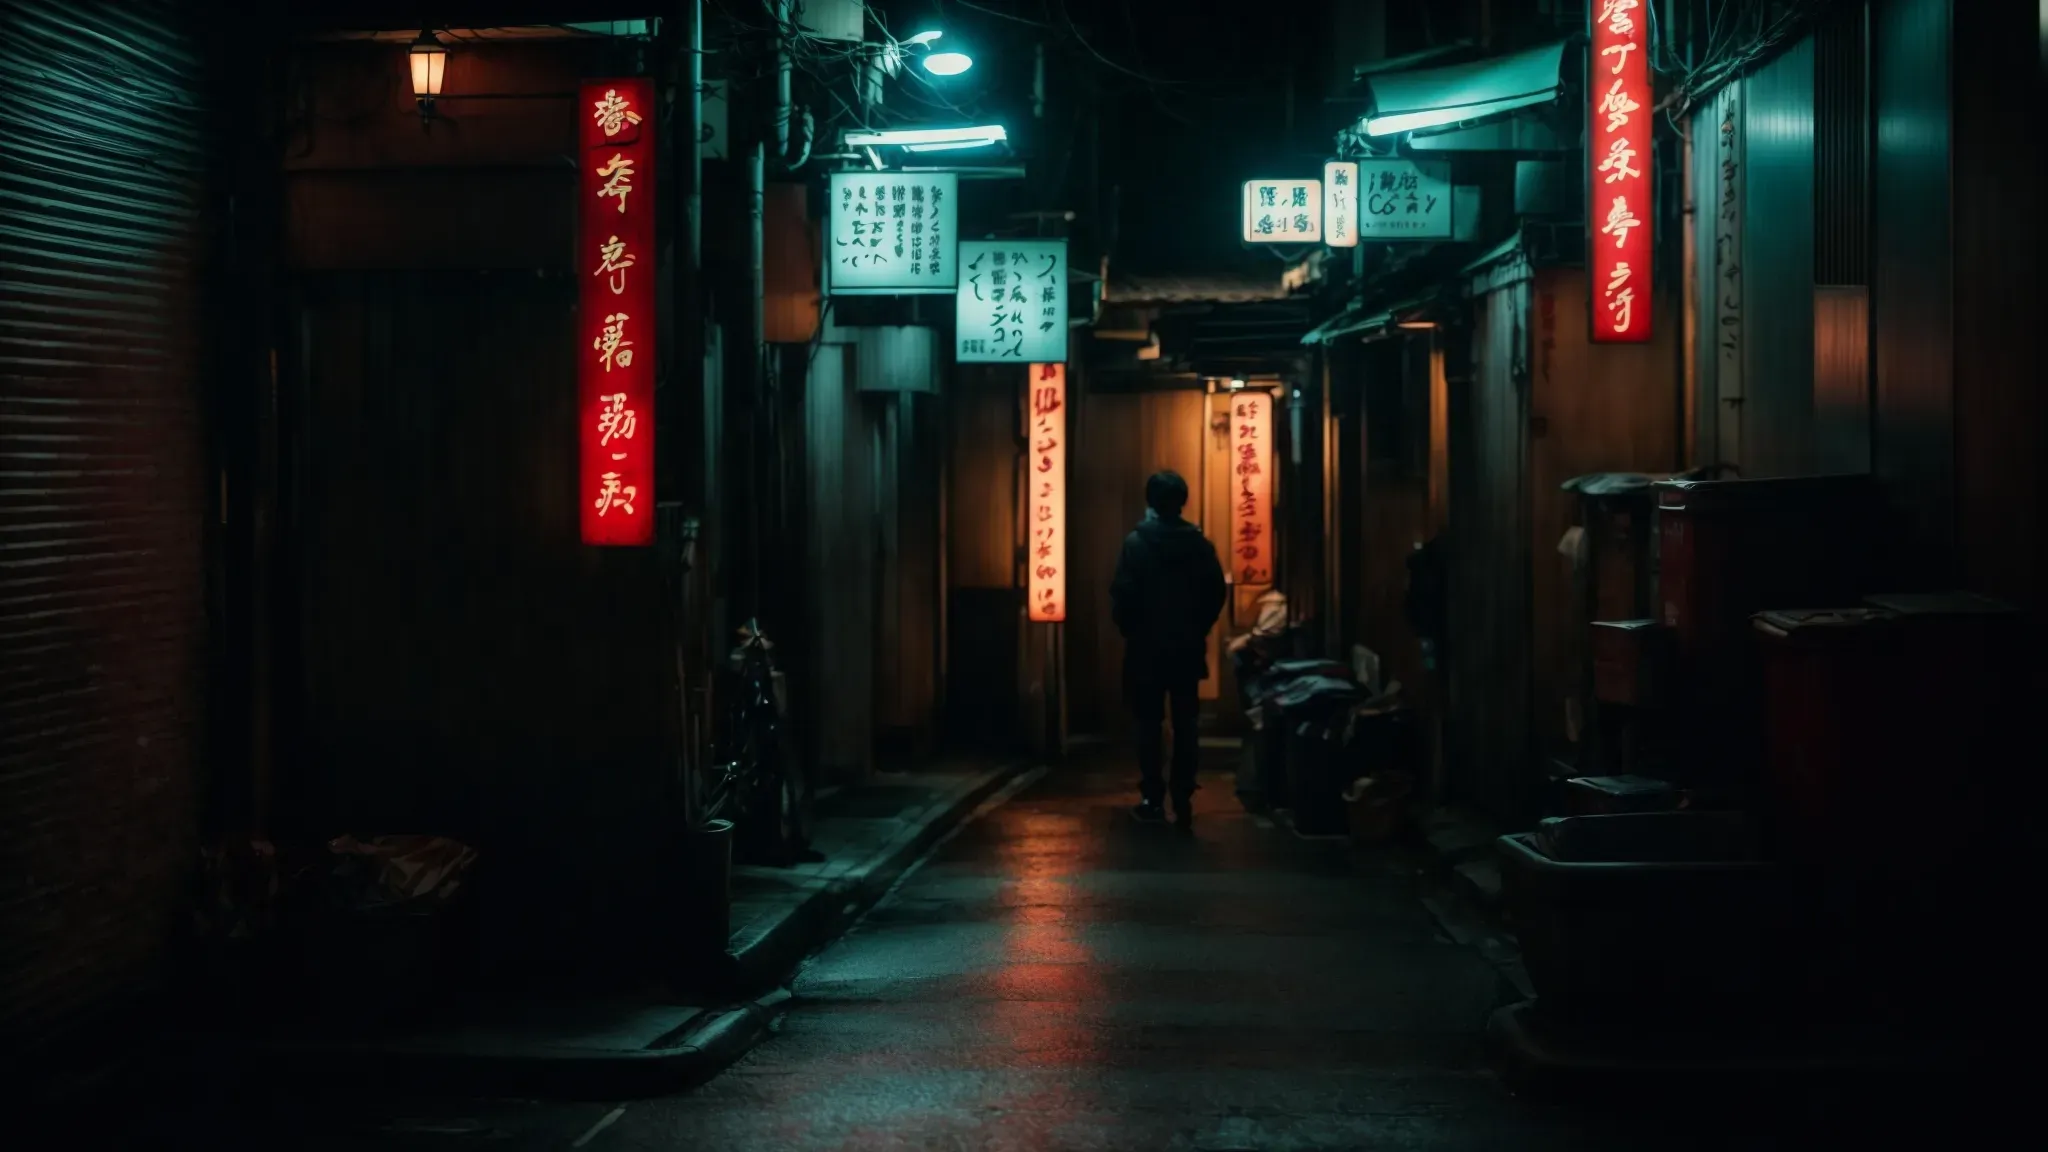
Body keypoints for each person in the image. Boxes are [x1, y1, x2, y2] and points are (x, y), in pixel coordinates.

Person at [1110, 470, 1227, 829]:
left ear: (1151, 501)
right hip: (1186, 648)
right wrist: (1198, 627)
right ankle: (1183, 794)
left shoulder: (1136, 543)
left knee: (1148, 722)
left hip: (1146, 648)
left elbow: (1123, 594)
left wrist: (1132, 630)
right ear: (1182, 501)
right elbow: (1215, 593)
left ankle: (1152, 795)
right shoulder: (1199, 545)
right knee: (1186, 722)